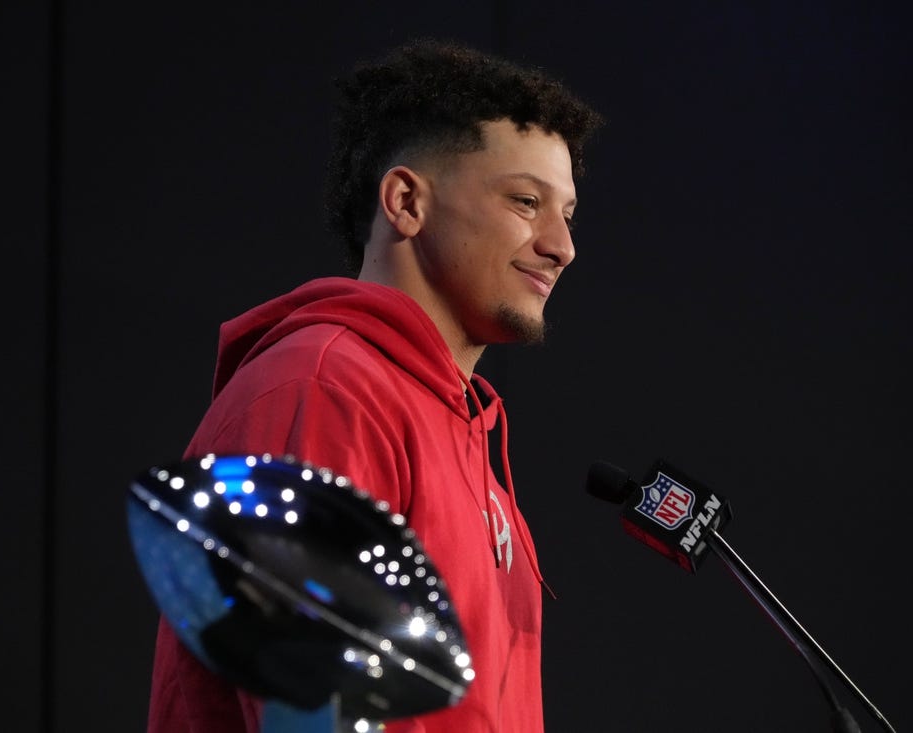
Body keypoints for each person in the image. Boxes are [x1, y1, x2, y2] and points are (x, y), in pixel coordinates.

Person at [146, 38, 603, 733]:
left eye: (566, 213)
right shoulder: (321, 390)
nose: (560, 246)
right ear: (406, 201)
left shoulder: (461, 433)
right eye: (525, 200)